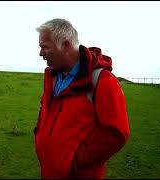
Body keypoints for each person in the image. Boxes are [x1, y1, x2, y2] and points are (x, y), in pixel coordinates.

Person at [33, 18, 130, 179]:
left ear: (65, 45)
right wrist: (39, 136)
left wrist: (75, 161)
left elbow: (116, 133)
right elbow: (45, 109)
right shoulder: (53, 77)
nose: (41, 53)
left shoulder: (103, 80)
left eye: (45, 47)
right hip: (49, 171)